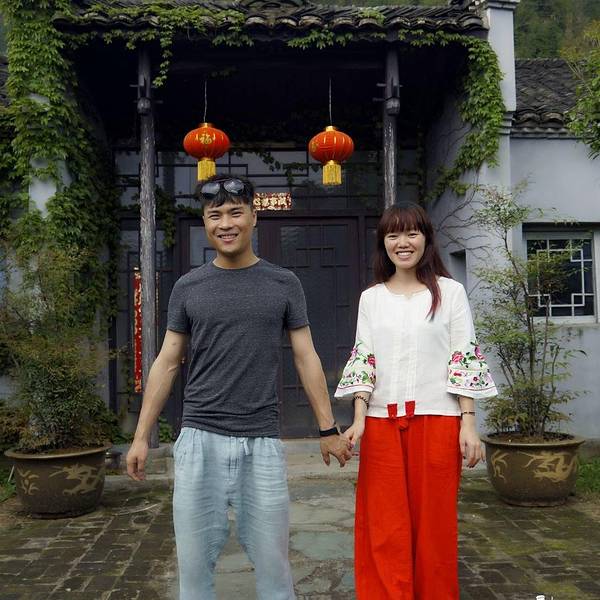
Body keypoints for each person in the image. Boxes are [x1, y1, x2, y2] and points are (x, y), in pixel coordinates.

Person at [126, 174, 352, 600]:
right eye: (215, 215)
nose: (226, 223)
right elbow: (167, 361)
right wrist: (141, 437)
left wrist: (327, 428)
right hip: (199, 439)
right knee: (194, 573)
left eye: (235, 212)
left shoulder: (283, 283)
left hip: (261, 443)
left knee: (274, 571)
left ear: (253, 217)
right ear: (205, 222)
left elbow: (306, 356)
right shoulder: (188, 287)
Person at [336, 202, 497, 600]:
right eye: (393, 234)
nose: (403, 242)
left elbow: (463, 355)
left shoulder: (450, 293)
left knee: (434, 527)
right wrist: (359, 418)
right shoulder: (372, 298)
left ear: (426, 239)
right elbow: (364, 358)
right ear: (383, 243)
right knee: (384, 526)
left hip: (438, 421)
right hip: (381, 424)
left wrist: (469, 423)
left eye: (411, 233)